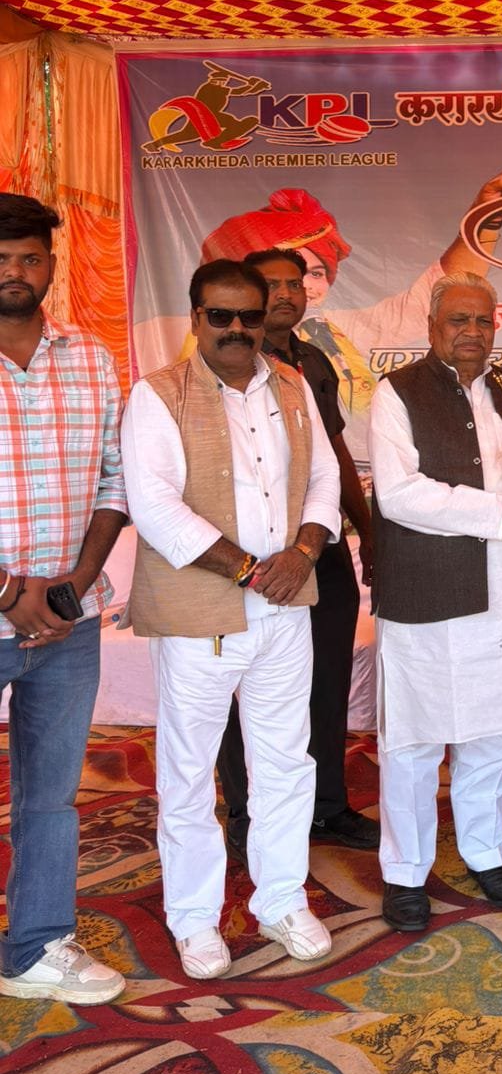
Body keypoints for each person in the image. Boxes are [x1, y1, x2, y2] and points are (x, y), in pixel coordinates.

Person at [122, 259, 342, 979]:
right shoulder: (159, 394)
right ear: (196, 319)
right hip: (201, 616)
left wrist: (304, 552)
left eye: (249, 315)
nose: (237, 329)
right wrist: (251, 569)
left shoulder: (293, 384)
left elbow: (324, 477)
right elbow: (155, 506)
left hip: (284, 610)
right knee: (189, 774)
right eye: (221, 316)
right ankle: (194, 918)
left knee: (286, 761)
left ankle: (281, 900)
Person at [367, 273, 502, 935]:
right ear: (432, 327)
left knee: (495, 734)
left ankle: (485, 852)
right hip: (425, 594)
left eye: (483, 321)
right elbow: (399, 495)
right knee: (414, 742)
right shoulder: (397, 392)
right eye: (458, 320)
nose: (472, 332)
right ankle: (405, 872)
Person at [0, 194, 128, 1006]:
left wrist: (72, 588)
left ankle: (35, 947)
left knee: (50, 796)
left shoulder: (90, 358)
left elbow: (115, 479)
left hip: (67, 624)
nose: (15, 271)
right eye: (0, 258)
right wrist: (9, 591)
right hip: (9, 604)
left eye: (30, 257)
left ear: (52, 264)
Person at [216, 248, 378, 858]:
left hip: (319, 546)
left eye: (295, 282)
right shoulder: (224, 364)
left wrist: (368, 531)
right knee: (243, 684)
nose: (286, 293)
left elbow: (334, 455)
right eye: (271, 284)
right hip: (247, 555)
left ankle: (326, 807)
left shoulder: (313, 361)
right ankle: (247, 812)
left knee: (327, 680)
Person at [200, 151, 502, 428]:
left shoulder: (327, 340)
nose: (299, 289)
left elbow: (436, 293)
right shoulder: (215, 356)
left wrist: (485, 217)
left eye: (314, 274)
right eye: (273, 282)